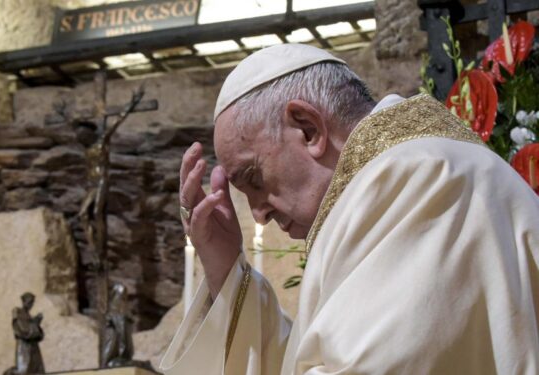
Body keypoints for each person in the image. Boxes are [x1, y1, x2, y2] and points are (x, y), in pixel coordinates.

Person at [159, 43, 539, 374]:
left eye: (254, 178)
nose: (258, 214)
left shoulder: (420, 180)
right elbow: (316, 360)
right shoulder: (405, 175)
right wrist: (225, 271)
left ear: (308, 129)